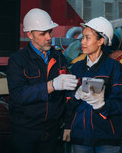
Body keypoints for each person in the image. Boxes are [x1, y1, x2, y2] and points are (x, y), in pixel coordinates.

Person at [6, 8, 78, 153]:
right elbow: (18, 95)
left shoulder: (58, 58)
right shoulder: (17, 60)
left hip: (52, 132)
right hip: (25, 132)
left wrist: (68, 125)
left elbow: (68, 95)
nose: (49, 37)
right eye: (42, 34)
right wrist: (51, 85)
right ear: (29, 34)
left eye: (50, 32)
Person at [63, 16, 122, 153]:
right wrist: (68, 124)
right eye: (82, 37)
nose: (82, 42)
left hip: (107, 139)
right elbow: (67, 102)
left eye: (87, 38)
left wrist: (102, 105)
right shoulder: (75, 69)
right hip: (80, 137)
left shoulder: (115, 69)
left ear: (100, 41)